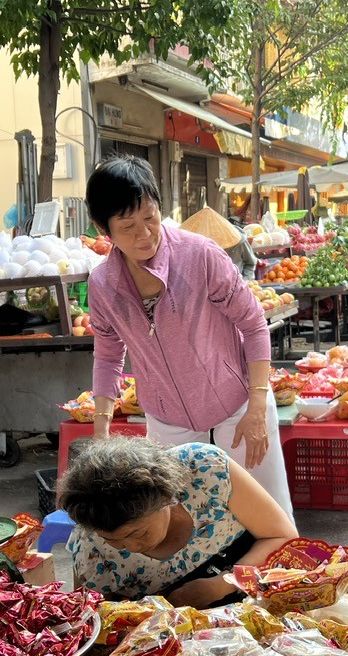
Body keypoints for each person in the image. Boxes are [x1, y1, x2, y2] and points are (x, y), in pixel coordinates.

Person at [85, 156, 292, 517]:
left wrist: (257, 407)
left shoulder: (200, 255)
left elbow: (254, 324)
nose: (144, 233)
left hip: (240, 410)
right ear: (105, 229)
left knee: (268, 519)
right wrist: (101, 430)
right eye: (128, 225)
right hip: (169, 424)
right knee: (192, 528)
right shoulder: (102, 285)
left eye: (150, 217)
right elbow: (107, 355)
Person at [58, 436, 297, 608]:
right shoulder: (90, 551)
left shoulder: (204, 470)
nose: (129, 547)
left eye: (137, 533)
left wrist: (222, 584)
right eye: (112, 541)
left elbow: (281, 537)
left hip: (261, 595)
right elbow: (92, 618)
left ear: (167, 498)